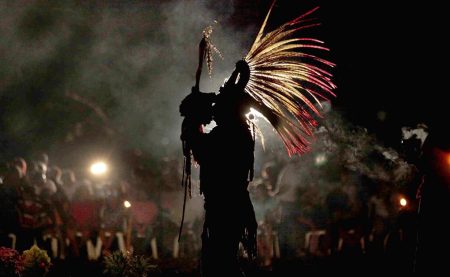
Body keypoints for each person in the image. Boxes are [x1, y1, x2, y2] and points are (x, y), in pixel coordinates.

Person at [180, 60, 276, 276]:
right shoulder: (234, 130)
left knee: (220, 260)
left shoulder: (230, 134)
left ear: (229, 110)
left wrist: (193, 122)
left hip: (226, 205)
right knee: (221, 258)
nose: (213, 110)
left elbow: (205, 153)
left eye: (218, 106)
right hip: (227, 204)